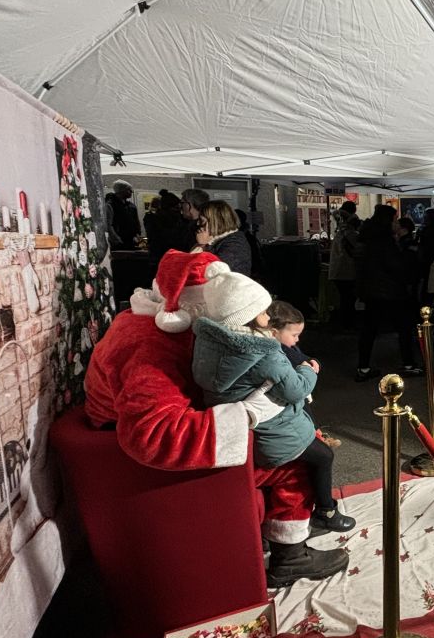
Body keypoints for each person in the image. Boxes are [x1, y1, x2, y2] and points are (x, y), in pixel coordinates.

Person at [84, 251, 348, 586]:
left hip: (137, 445)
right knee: (293, 461)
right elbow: (153, 434)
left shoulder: (163, 325)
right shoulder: (147, 345)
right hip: (133, 467)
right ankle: (290, 557)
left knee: (292, 442)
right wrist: (249, 413)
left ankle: (281, 543)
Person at [191, 270, 356, 549]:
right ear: (250, 314)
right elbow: (295, 390)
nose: (268, 318)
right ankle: (324, 513)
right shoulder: (261, 350)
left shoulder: (211, 341)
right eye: (264, 312)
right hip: (273, 430)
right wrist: (309, 372)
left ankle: (273, 535)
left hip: (243, 427)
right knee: (322, 456)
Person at [354, 204, 424, 382]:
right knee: (404, 327)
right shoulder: (384, 241)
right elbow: (396, 266)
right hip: (391, 292)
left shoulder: (366, 236)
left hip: (371, 291)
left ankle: (363, 367)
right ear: (388, 220)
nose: (396, 223)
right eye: (394, 219)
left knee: (368, 330)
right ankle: (408, 364)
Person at [268, 300, 341, 448]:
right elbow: (299, 361)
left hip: (295, 386)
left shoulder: (287, 346)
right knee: (303, 409)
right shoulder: (277, 351)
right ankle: (316, 436)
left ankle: (317, 434)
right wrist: (309, 365)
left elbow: (301, 358)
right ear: (274, 332)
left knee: (305, 409)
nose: (297, 339)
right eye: (294, 335)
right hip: (286, 393)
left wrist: (312, 361)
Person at [194, 200, 252, 276]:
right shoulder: (221, 240)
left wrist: (202, 245)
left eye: (202, 220)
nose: (198, 223)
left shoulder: (235, 244)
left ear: (216, 222)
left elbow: (210, 271)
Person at [328, 200, 361, 327]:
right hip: (346, 271)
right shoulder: (349, 233)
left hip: (339, 271)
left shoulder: (341, 231)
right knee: (348, 299)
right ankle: (347, 323)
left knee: (345, 298)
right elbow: (354, 251)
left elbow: (336, 212)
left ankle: (345, 322)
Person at [416, 207, 434, 307]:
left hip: (428, 263)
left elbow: (422, 247)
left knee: (427, 290)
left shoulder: (425, 231)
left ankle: (426, 313)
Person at [144, 190, 183, 261]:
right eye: (176, 208)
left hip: (158, 255)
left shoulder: (153, 218)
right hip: (164, 255)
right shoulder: (162, 219)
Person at [105, 180, 141, 249]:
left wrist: (137, 234)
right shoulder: (110, 205)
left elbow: (136, 222)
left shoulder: (131, 206)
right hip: (118, 243)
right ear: (121, 190)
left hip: (131, 241)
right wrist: (116, 239)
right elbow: (109, 224)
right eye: (129, 190)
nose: (132, 192)